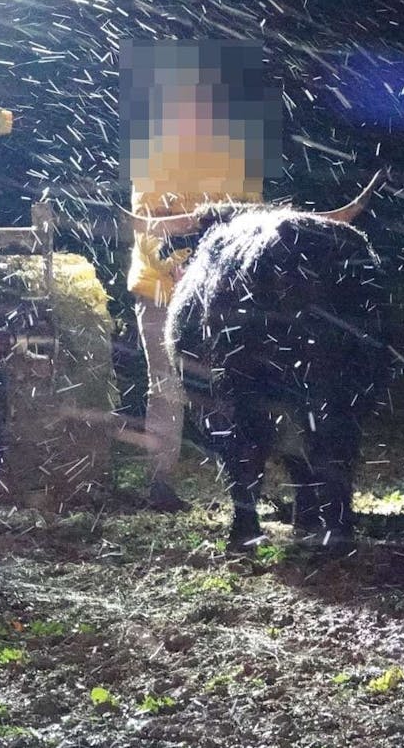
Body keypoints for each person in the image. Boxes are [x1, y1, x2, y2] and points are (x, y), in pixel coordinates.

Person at [125, 41, 273, 510]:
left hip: (225, 295)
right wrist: (181, 262)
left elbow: (250, 222)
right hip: (163, 291)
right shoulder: (155, 153)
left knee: (241, 387)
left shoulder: (240, 156)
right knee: (167, 388)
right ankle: (160, 485)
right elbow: (147, 224)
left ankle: (251, 489)